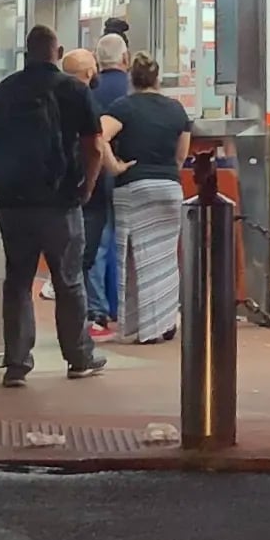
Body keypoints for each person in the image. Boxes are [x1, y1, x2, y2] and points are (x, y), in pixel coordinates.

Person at [0, 26, 106, 386]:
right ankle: (78, 358)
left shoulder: (6, 90)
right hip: (60, 200)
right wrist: (87, 187)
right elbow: (94, 147)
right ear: (57, 51)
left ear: (26, 51)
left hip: (14, 202)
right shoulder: (74, 89)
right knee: (68, 281)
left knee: (18, 281)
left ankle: (17, 364)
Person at [100, 55, 192, 343]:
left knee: (133, 256)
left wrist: (114, 166)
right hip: (169, 188)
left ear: (132, 78)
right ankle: (164, 323)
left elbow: (98, 136)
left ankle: (140, 327)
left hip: (133, 186)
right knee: (165, 257)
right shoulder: (177, 110)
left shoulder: (123, 107)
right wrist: (167, 173)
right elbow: (181, 155)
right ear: (157, 78)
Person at [63, 49, 118, 340]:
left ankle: (80, 318)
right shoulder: (87, 101)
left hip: (58, 188)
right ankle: (92, 315)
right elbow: (96, 146)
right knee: (91, 253)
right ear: (88, 73)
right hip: (88, 190)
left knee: (69, 256)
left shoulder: (52, 100)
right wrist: (93, 183)